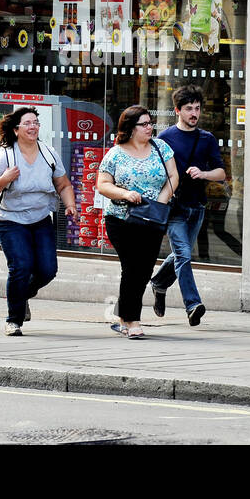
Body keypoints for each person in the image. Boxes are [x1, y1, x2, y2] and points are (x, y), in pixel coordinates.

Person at [0, 107, 77, 336]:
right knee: (21, 267)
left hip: (41, 218)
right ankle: (13, 320)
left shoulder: (48, 153)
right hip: (10, 219)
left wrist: (70, 205)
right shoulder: (7, 154)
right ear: (16, 130)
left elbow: (63, 184)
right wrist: (4, 179)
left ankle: (21, 294)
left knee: (47, 270)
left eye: (36, 123)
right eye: (28, 123)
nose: (33, 127)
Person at [97, 105, 180, 340]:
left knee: (144, 270)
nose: (149, 127)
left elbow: (174, 176)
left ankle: (123, 314)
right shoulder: (116, 153)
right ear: (131, 128)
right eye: (143, 124)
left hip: (153, 219)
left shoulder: (161, 148)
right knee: (132, 267)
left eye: (150, 122)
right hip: (122, 219)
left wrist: (160, 202)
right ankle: (132, 320)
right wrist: (125, 194)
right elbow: (102, 184)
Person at [149, 85, 224, 326]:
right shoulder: (165, 138)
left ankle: (159, 283)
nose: (194, 113)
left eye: (198, 108)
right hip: (175, 207)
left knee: (180, 255)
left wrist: (203, 174)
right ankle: (193, 304)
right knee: (183, 254)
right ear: (177, 111)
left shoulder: (207, 139)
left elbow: (221, 173)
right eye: (189, 109)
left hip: (197, 206)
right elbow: (155, 172)